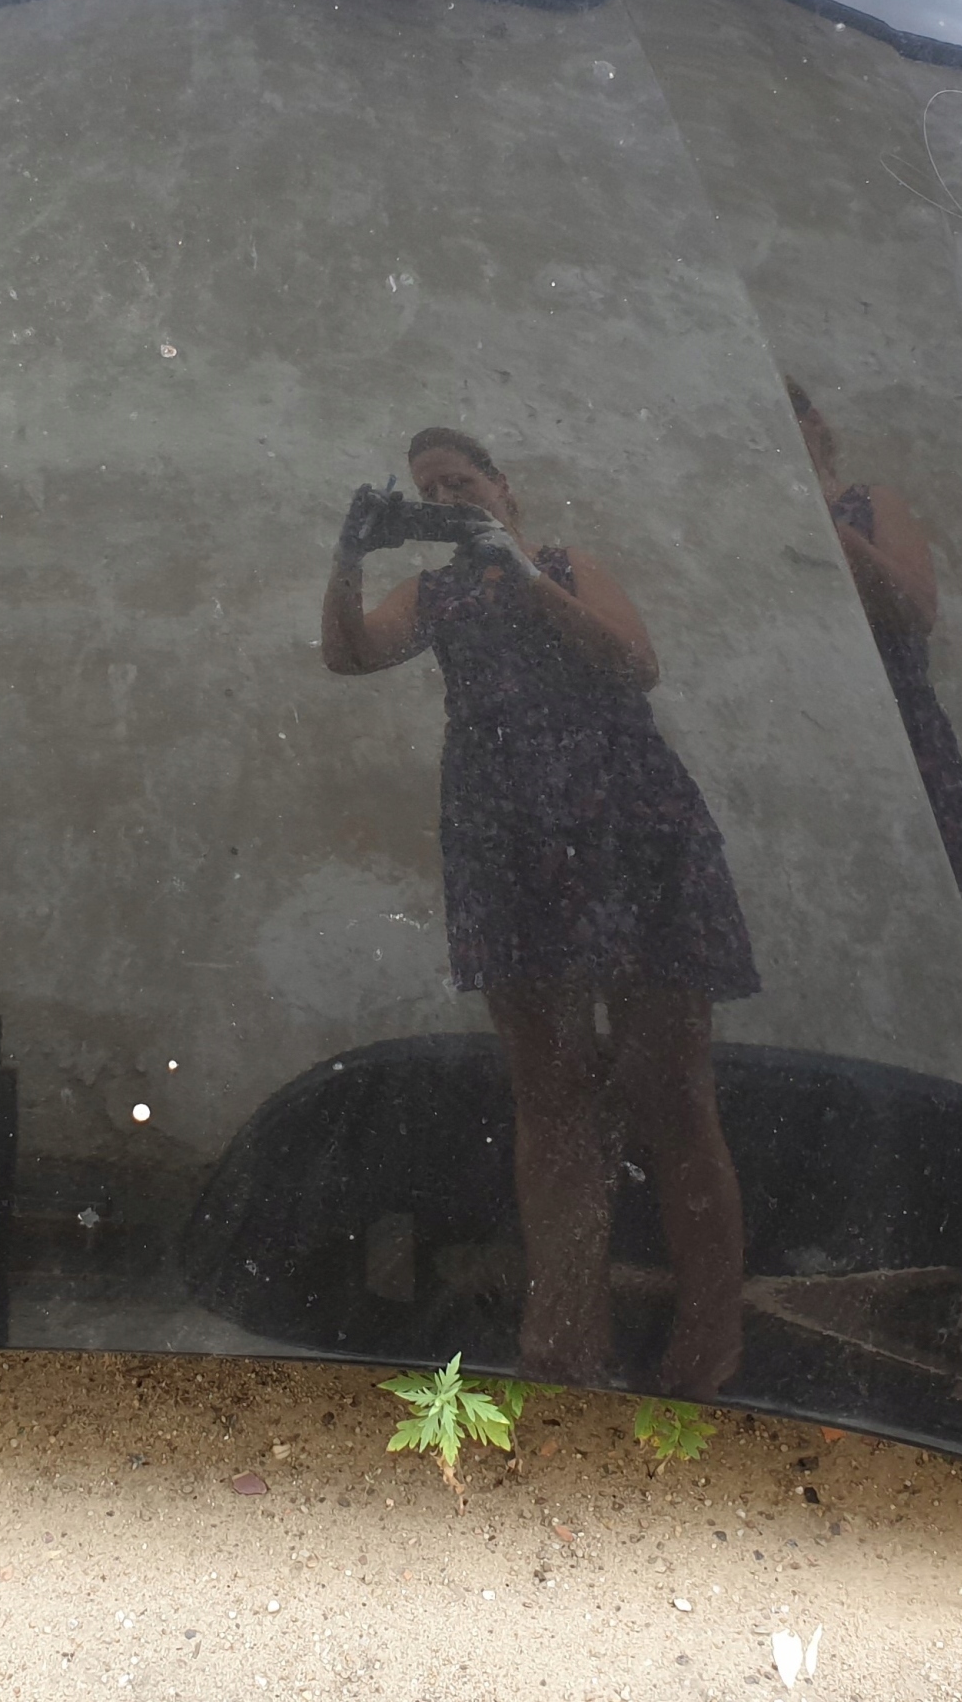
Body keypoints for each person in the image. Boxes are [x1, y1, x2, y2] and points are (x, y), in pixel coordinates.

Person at [319, 427, 756, 1392]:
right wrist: (349, 555)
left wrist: (516, 572)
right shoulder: (433, 593)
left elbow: (633, 663)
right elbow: (349, 655)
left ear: (505, 489)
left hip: (625, 824)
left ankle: (710, 1342)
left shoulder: (561, 565)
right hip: (506, 835)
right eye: (431, 491)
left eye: (461, 481)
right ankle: (564, 1347)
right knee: (550, 1097)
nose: (449, 498)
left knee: (671, 1089)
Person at [785, 382, 962, 940]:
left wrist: (846, 542)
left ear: (814, 422)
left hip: (903, 720)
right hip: (821, 732)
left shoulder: (871, 503)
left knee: (936, 906)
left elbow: (920, 607)